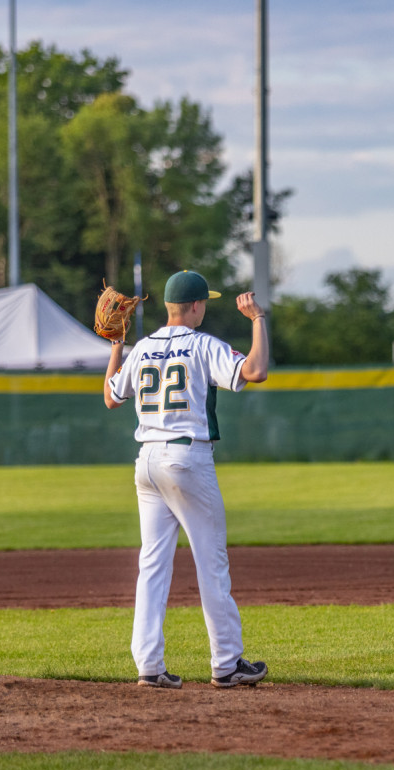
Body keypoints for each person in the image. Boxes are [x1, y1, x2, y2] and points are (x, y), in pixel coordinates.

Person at [103, 269, 270, 689]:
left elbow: (110, 396)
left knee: (152, 566)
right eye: (205, 303)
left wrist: (117, 344)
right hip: (187, 459)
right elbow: (255, 371)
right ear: (195, 306)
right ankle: (227, 663)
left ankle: (148, 666)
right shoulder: (202, 344)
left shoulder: (142, 348)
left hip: (146, 464)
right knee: (210, 562)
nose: (204, 309)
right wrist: (257, 321)